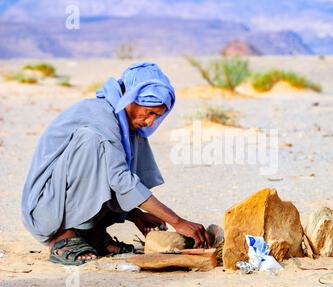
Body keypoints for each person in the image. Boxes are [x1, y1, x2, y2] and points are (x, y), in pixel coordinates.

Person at [21, 62, 210, 266]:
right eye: (149, 112)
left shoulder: (122, 121)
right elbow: (120, 179)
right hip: (47, 210)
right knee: (93, 140)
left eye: (157, 116)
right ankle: (62, 236)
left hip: (65, 203)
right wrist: (178, 222)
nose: (150, 122)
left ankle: (92, 233)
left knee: (131, 140)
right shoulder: (100, 117)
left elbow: (112, 174)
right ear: (130, 99)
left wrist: (136, 215)